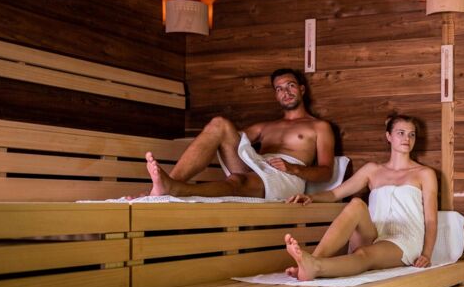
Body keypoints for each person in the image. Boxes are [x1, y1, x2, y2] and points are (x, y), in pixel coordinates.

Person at [283, 114, 437, 279]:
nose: (407, 138)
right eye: (401, 133)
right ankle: (311, 261)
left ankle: (316, 266)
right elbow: (335, 193)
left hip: (404, 240)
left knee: (364, 253)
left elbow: (431, 220)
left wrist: (426, 254)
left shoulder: (425, 174)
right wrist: (311, 197)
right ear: (388, 136)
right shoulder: (372, 170)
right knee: (356, 203)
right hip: (374, 232)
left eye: (411, 134)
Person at [141, 69, 335, 199]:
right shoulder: (265, 127)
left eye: (290, 85)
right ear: (276, 95)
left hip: (287, 176)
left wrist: (294, 169)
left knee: (238, 179)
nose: (286, 92)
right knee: (219, 124)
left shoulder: (319, 126)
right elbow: (229, 139)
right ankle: (166, 187)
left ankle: (176, 189)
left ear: (301, 89)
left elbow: (326, 171)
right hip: (259, 165)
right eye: (279, 88)